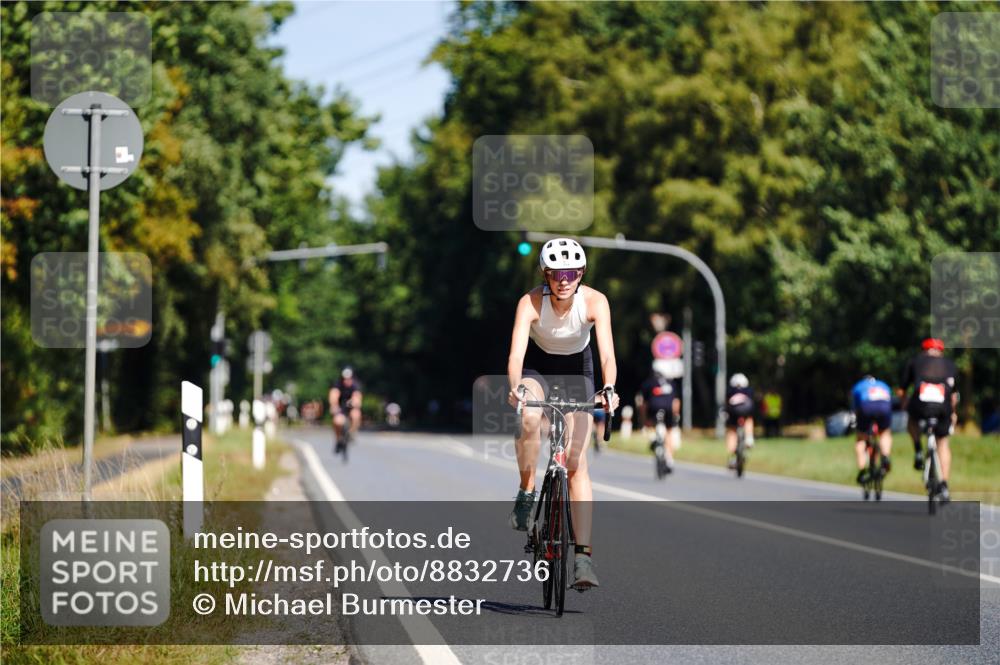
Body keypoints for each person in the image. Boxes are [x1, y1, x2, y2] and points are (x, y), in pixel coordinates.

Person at [507, 237, 619, 590]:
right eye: (556, 273)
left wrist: (609, 388)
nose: (564, 279)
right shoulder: (530, 302)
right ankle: (527, 490)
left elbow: (606, 357)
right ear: (546, 274)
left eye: (571, 272)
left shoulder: (595, 302)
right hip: (538, 369)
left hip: (577, 372)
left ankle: (583, 559)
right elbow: (515, 356)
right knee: (527, 418)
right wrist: (516, 387)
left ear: (581, 273)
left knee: (576, 463)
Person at [899, 338, 958, 501]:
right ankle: (944, 483)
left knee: (912, 420)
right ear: (941, 351)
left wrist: (904, 406)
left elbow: (903, 389)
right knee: (943, 443)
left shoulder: (915, 361)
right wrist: (953, 412)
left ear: (924, 350)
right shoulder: (950, 364)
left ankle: (918, 449)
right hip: (943, 406)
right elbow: (953, 395)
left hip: (920, 404)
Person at [640, 359, 682, 473]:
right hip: (668, 410)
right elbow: (676, 402)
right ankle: (669, 460)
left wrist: (644, 420)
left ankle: (654, 438)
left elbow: (644, 404)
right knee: (669, 431)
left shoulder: (649, 383)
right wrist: (676, 415)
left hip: (653, 409)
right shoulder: (671, 383)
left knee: (651, 424)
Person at [850, 375, 893, 485]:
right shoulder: (883, 384)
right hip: (884, 406)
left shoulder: (859, 385)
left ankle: (862, 471)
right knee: (884, 433)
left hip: (866, 406)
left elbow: (855, 408)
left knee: (861, 439)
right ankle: (885, 456)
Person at [724, 373, 755, 469]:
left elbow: (726, 404)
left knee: (731, 431)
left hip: (733, 412)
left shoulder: (730, 391)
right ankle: (749, 438)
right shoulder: (749, 390)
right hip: (746, 411)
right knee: (749, 419)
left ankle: (733, 456)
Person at [329, 367, 363, 452]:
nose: (346, 381)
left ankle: (351, 433)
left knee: (356, 414)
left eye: (348, 378)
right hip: (341, 408)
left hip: (351, 407)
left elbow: (357, 397)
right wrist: (334, 406)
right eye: (344, 379)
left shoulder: (355, 385)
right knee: (337, 421)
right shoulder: (337, 384)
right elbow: (333, 395)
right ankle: (338, 439)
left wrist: (354, 402)